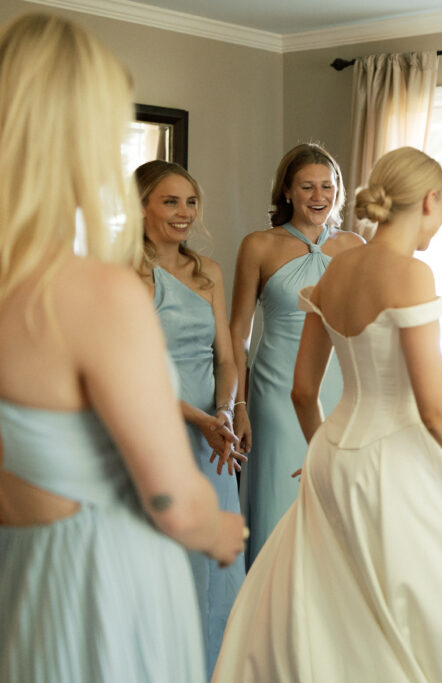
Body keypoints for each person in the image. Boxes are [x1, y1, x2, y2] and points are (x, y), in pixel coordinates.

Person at [212, 147, 442, 682]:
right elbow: (436, 413)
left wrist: (320, 447)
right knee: (426, 609)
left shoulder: (335, 273)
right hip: (392, 463)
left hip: (333, 456)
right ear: (430, 202)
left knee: (342, 607)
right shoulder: (411, 274)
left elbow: (302, 392)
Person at [0, 13, 245, 683]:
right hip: (104, 575)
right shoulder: (96, 293)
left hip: (22, 568)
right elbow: (173, 498)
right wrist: (221, 531)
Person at [135, 160, 247, 679]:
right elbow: (134, 371)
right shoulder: (126, 275)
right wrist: (199, 418)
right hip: (153, 427)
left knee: (213, 563)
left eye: (191, 202)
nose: (184, 213)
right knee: (163, 557)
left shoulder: (208, 271)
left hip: (212, 436)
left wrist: (222, 413)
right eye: (169, 201)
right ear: (140, 208)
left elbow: (225, 357)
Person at [230, 143, 361, 567]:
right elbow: (238, 333)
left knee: (337, 498)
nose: (318, 195)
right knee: (281, 499)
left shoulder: (353, 245)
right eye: (307, 186)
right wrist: (239, 404)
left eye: (327, 185)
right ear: (287, 190)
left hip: (341, 390)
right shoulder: (259, 246)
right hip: (276, 393)